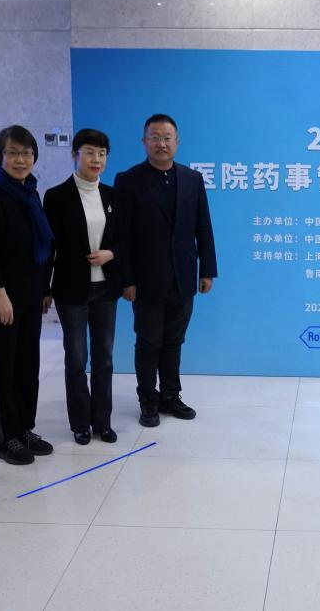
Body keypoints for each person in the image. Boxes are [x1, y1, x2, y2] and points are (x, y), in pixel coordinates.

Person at [114, 114, 217, 427]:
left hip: (183, 276)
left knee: (174, 341)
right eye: (155, 137)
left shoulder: (192, 179)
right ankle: (148, 399)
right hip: (145, 279)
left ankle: (171, 395)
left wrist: (207, 270)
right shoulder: (128, 180)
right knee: (148, 343)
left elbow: (203, 226)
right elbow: (121, 235)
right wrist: (126, 279)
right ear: (144, 141)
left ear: (177, 142)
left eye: (167, 137)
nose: (161, 143)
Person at [45, 128, 134, 445]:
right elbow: (48, 246)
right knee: (76, 359)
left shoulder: (113, 196)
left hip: (106, 290)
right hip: (71, 290)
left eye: (102, 154)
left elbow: (125, 239)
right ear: (75, 154)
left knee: (104, 358)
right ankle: (80, 423)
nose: (96, 159)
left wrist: (112, 254)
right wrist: (44, 288)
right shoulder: (56, 196)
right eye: (89, 152)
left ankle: (103, 421)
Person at [0, 125, 55, 464]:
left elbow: (41, 247)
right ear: (0, 157)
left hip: (31, 297)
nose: (21, 160)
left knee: (27, 365)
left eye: (27, 153)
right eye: (13, 153)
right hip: (3, 300)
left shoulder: (31, 194)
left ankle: (23, 427)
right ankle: (4, 436)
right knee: (2, 369)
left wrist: (45, 289)